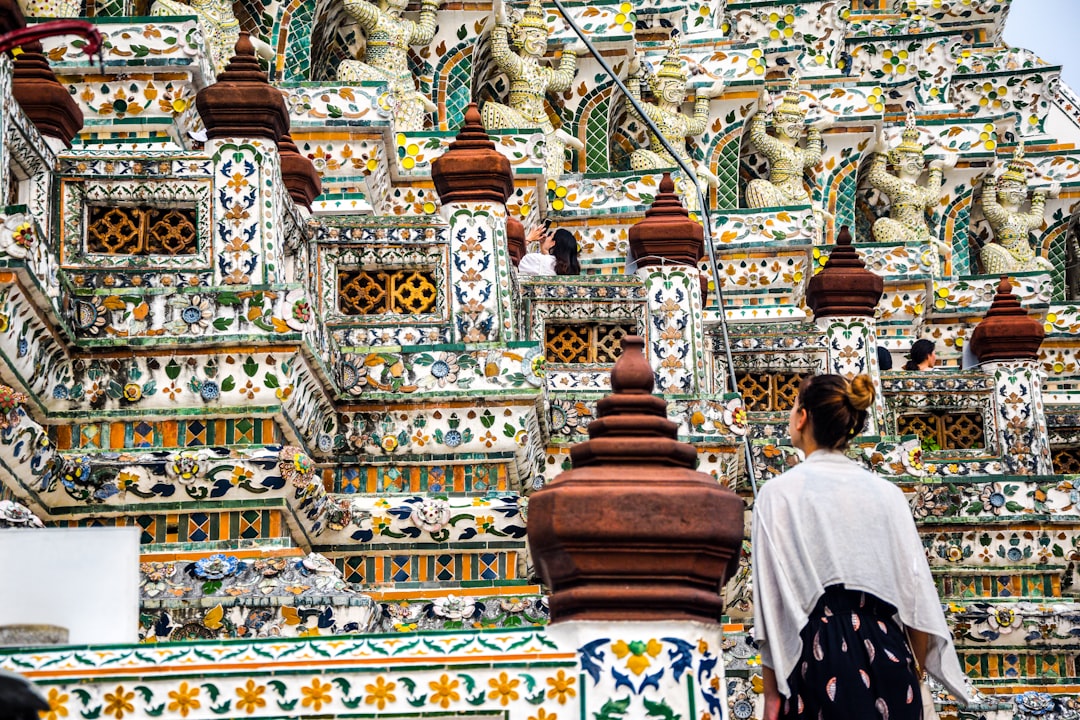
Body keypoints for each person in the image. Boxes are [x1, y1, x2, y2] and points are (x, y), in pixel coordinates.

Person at [752, 373, 970, 720]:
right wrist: (914, 670)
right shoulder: (888, 494)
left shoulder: (777, 495)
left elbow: (772, 608)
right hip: (888, 649)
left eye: (793, 407)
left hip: (817, 656)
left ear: (803, 417)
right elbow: (913, 593)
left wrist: (771, 698)